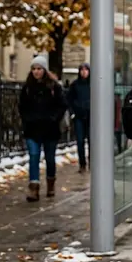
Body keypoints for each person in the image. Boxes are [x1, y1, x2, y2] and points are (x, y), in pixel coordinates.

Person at [18, 56, 68, 202]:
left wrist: (53, 118)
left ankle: (51, 184)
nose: (36, 72)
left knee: (50, 158)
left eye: (39, 69)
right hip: (32, 129)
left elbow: (62, 105)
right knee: (33, 156)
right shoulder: (27, 88)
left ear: (44, 70)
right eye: (34, 69)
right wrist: (27, 119)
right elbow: (22, 107)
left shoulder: (54, 87)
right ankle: (34, 188)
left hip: (50, 130)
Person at [67, 63, 91, 173]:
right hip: (79, 117)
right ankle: (82, 164)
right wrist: (73, 113)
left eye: (86, 70)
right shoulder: (75, 85)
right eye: (82, 70)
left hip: (91, 116)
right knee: (80, 141)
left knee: (92, 141)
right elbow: (69, 100)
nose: (84, 72)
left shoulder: (93, 84)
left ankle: (92, 162)